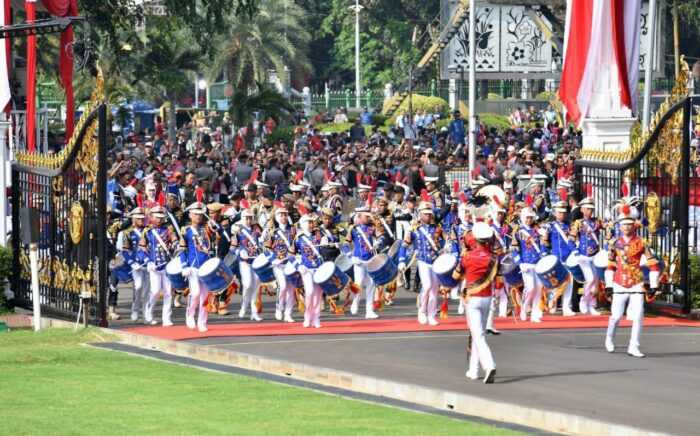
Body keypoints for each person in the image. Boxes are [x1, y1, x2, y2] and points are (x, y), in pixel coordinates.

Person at [604, 203, 660, 358]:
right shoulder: (614, 243)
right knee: (615, 316)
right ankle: (609, 338)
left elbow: (653, 264)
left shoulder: (642, 243)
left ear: (634, 225)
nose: (626, 228)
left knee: (638, 315)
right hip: (619, 283)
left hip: (636, 282)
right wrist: (609, 285)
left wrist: (653, 285)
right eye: (623, 225)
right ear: (620, 226)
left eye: (629, 224)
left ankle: (633, 346)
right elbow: (610, 265)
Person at [455, 222, 497, 384]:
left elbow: (455, 276)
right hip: (487, 298)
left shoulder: (467, 256)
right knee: (478, 334)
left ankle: (489, 365)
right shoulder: (494, 258)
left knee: (478, 336)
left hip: (472, 298)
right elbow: (498, 281)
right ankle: (473, 370)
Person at [400, 200, 446, 326]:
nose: (428, 216)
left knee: (434, 290)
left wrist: (446, 249)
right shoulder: (414, 229)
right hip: (423, 261)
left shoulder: (437, 229)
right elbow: (403, 245)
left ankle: (431, 315)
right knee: (427, 286)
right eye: (425, 214)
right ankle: (422, 311)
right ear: (420, 214)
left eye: (430, 213)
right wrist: (402, 260)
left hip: (435, 262)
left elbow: (445, 243)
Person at [141, 206, 177, 327]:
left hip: (166, 265)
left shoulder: (168, 229)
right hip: (154, 265)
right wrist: (148, 262)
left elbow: (175, 241)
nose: (159, 220)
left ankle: (166, 317)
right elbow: (141, 249)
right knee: (155, 291)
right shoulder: (148, 231)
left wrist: (175, 245)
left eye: (161, 217)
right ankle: (148, 313)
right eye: (157, 217)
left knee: (168, 293)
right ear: (151, 217)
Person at [179, 202, 211, 332]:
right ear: (190, 215)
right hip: (193, 266)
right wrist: (184, 265)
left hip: (206, 266)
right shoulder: (186, 231)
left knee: (205, 296)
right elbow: (182, 250)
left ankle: (202, 321)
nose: (198, 217)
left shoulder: (206, 229)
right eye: (195, 214)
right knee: (196, 293)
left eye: (200, 214)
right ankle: (190, 315)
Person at [542, 201, 577, 316]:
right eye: (559, 212)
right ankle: (552, 304)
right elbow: (545, 242)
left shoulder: (570, 225)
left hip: (568, 257)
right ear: (555, 213)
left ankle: (567, 307)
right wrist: (545, 254)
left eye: (563, 212)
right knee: (554, 283)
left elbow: (574, 240)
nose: (562, 215)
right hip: (555, 258)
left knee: (569, 283)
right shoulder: (550, 226)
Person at [511, 207, 544, 323]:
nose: (529, 220)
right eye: (527, 217)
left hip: (538, 263)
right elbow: (514, 250)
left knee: (539, 288)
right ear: (523, 218)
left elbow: (543, 245)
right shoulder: (518, 231)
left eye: (531, 217)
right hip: (526, 264)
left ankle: (535, 313)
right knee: (530, 288)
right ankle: (524, 309)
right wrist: (520, 263)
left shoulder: (537, 229)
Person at [265, 203, 297, 323]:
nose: (283, 217)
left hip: (290, 263)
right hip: (278, 264)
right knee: (282, 286)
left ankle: (288, 313)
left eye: (285, 215)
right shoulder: (273, 232)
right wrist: (274, 259)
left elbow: (298, 245)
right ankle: (279, 308)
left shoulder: (293, 230)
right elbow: (266, 249)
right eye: (281, 215)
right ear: (277, 218)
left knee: (291, 289)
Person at [232, 207, 264, 321]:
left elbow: (264, 241)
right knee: (247, 284)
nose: (249, 221)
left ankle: (254, 312)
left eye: (251, 218)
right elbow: (232, 247)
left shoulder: (256, 229)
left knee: (256, 287)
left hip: (256, 260)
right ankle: (244, 307)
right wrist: (239, 252)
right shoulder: (237, 230)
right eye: (247, 218)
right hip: (244, 262)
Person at [347, 205, 379, 319]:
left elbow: (381, 237)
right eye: (366, 216)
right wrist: (350, 255)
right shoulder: (353, 229)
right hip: (358, 259)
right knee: (358, 283)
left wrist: (377, 243)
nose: (369, 218)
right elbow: (346, 243)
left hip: (370, 259)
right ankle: (355, 302)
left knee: (371, 285)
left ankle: (369, 310)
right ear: (359, 216)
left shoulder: (372, 227)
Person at [572, 197, 602, 315]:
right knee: (589, 279)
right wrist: (575, 251)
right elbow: (571, 239)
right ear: (582, 209)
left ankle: (592, 304)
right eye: (588, 209)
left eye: (591, 209)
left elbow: (609, 228)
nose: (590, 211)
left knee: (595, 281)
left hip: (595, 255)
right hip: (583, 256)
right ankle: (583, 301)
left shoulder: (597, 222)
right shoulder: (578, 223)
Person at [294, 212, 324, 328]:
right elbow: (292, 255)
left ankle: (316, 318)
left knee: (318, 294)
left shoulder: (318, 235)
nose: (311, 224)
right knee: (310, 292)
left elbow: (328, 247)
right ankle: (307, 316)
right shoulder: (298, 239)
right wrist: (298, 266)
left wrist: (325, 243)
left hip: (318, 268)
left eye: (312, 222)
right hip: (306, 269)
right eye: (308, 222)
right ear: (302, 224)